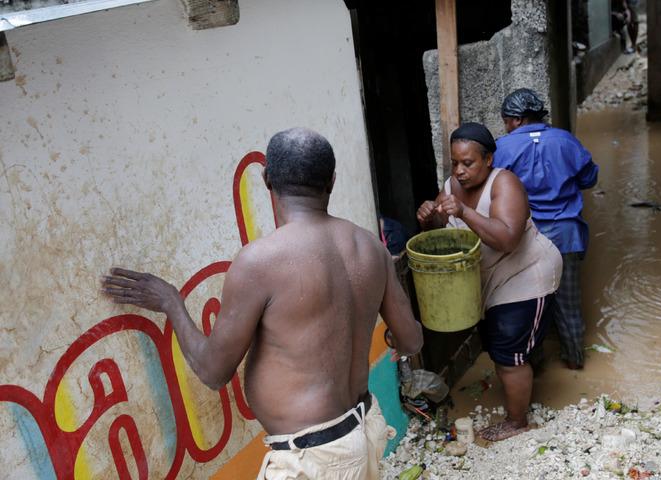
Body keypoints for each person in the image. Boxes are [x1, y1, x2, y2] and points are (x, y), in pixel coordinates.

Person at [101, 128, 423, 480]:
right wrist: (389, 339)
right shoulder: (369, 247)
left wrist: (171, 302)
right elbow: (411, 340)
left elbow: (212, 371)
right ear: (331, 181)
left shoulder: (261, 261)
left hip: (313, 460)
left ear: (267, 178)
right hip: (364, 429)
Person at [416, 122, 561, 441]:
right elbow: (442, 224)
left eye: (468, 163)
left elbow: (508, 239)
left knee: (508, 354)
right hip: (493, 277)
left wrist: (465, 211)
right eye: (455, 162)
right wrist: (431, 217)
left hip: (527, 273)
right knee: (503, 345)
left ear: (489, 160)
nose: (460, 170)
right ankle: (526, 368)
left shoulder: (505, 184)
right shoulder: (452, 184)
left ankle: (518, 421)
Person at [494, 88, 599, 370]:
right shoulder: (566, 140)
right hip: (567, 236)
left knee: (529, 305)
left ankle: (534, 365)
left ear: (516, 119)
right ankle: (576, 362)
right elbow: (590, 177)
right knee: (569, 305)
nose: (506, 125)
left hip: (528, 239)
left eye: (506, 120)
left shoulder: (503, 148)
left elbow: (492, 188)